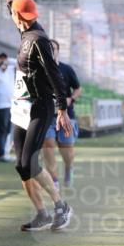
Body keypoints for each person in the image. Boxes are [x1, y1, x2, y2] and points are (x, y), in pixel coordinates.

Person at [3, 0, 74, 232]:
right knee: (21, 167)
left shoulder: (39, 40)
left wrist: (62, 109)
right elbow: (18, 18)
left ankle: (61, 206)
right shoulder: (25, 30)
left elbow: (54, 74)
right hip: (20, 108)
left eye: (13, 13)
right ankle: (42, 213)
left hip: (39, 108)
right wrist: (10, 1)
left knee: (28, 163)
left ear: (20, 19)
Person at [42, 40, 82, 188]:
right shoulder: (40, 70)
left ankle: (68, 167)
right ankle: (54, 180)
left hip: (66, 116)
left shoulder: (66, 69)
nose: (50, 50)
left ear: (58, 50)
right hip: (47, 116)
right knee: (48, 145)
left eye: (53, 48)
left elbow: (78, 88)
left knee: (67, 151)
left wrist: (71, 99)